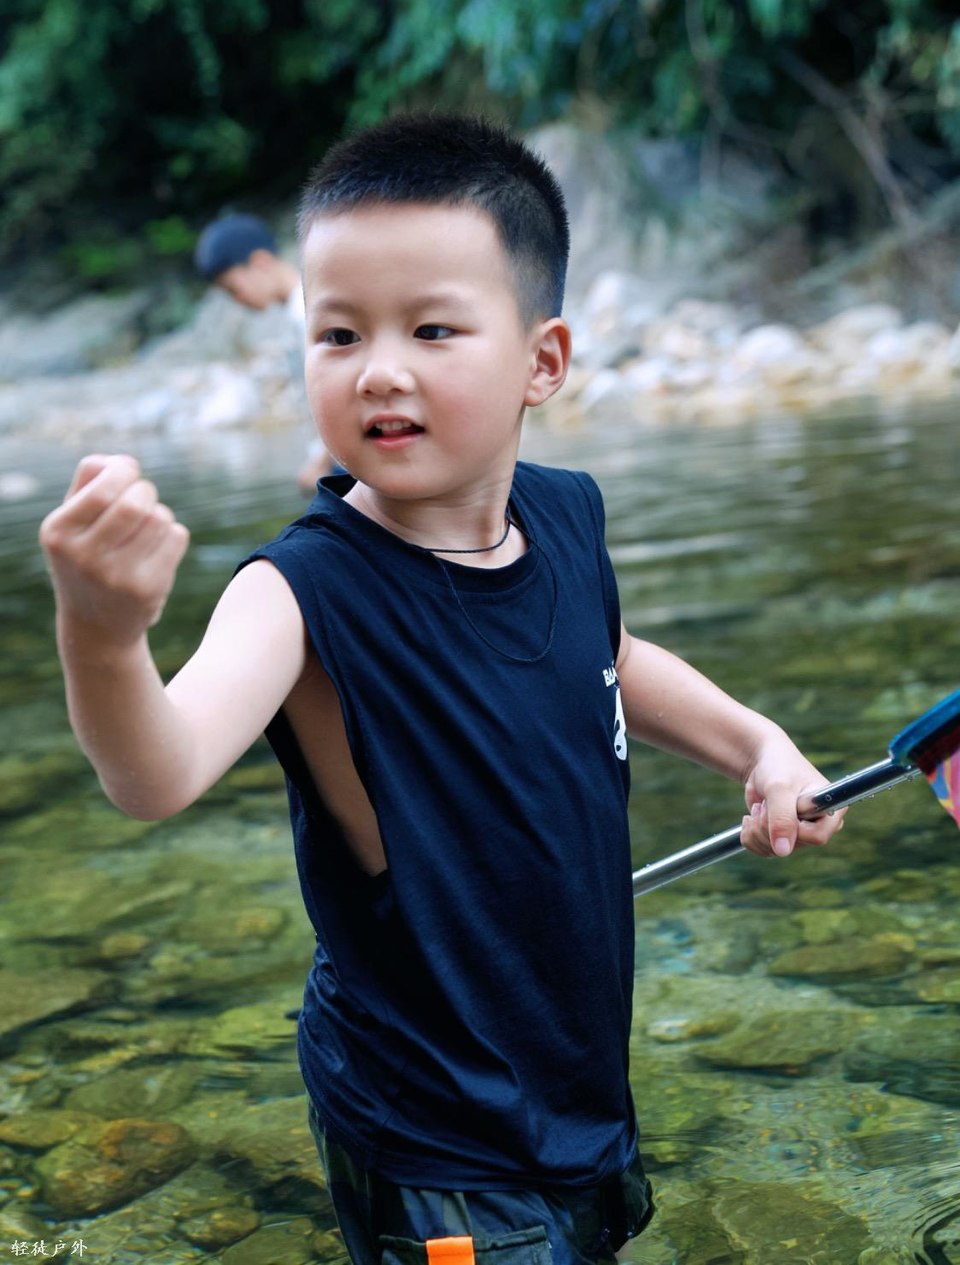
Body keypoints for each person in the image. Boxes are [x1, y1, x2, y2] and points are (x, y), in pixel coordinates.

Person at [40, 113, 845, 1265]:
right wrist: (103, 631)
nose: (379, 367)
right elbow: (154, 773)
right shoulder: (301, 592)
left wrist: (756, 745)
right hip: (434, 1139)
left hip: (570, 1083)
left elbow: (610, 655)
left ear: (542, 362)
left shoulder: (564, 516)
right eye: (338, 333)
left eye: (430, 328)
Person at [194, 211, 335, 492]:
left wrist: (321, 462)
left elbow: (334, 396)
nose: (238, 300)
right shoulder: (299, 313)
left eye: (233, 289)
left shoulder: (308, 314)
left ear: (260, 262)